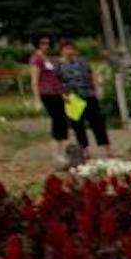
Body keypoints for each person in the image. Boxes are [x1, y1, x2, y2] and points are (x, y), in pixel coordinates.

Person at [53, 39, 110, 165]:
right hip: (72, 97)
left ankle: (106, 148)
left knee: (97, 121)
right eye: (66, 49)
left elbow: (91, 75)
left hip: (88, 93)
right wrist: (62, 94)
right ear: (61, 51)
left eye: (71, 48)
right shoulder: (58, 65)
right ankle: (85, 150)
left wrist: (97, 88)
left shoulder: (82, 62)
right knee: (78, 125)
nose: (69, 51)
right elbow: (56, 82)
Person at [29, 34, 67, 162]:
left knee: (62, 121)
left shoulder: (48, 58)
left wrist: (63, 92)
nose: (46, 45)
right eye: (43, 43)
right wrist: (37, 99)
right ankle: (55, 154)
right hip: (46, 93)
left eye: (47, 43)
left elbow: (55, 77)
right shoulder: (36, 59)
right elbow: (34, 80)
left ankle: (61, 152)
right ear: (37, 44)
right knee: (56, 120)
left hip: (57, 92)